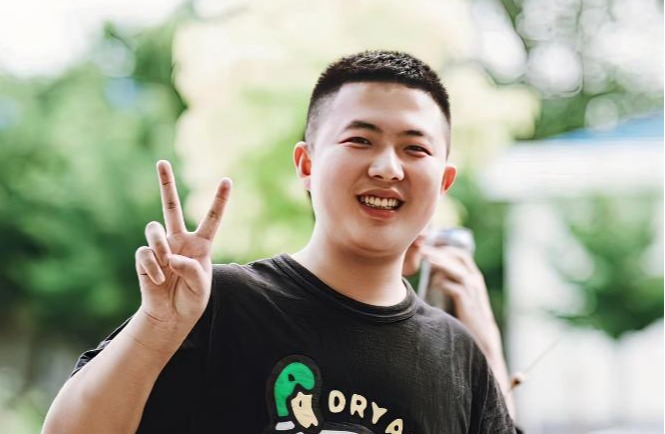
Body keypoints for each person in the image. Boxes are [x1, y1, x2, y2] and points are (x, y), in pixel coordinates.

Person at [42, 50, 517, 433]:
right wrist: (157, 327)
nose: (387, 168)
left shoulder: (460, 356)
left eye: (415, 148)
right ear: (307, 165)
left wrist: (489, 349)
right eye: (360, 140)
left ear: (444, 181)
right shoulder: (213, 303)